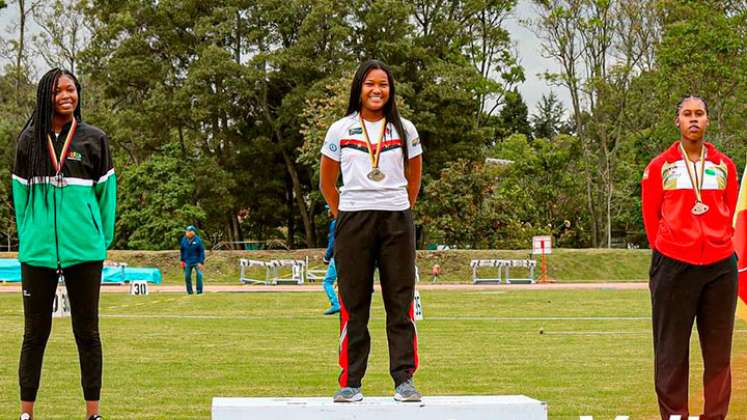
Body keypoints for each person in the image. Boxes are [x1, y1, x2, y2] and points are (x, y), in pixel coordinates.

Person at [13, 68, 116, 420]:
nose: (67, 96)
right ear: (46, 96)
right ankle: (27, 413)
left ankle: (93, 413)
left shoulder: (94, 139)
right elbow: (21, 197)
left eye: (71, 89)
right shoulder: (28, 141)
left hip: (84, 251)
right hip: (38, 252)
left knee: (87, 331)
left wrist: (100, 239)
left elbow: (106, 195)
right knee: (34, 334)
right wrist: (29, 235)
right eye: (59, 91)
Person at [319, 59, 423, 403]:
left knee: (400, 301)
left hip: (396, 219)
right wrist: (344, 212)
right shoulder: (341, 129)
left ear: (390, 90)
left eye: (383, 84)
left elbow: (414, 175)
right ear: (358, 88)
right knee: (354, 302)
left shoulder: (404, 129)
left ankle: (404, 380)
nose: (377, 90)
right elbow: (327, 181)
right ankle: (350, 381)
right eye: (369, 84)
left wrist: (400, 206)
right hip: (353, 219)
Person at [641, 95, 738, 420]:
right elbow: (650, 216)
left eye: (699, 114)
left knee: (718, 355)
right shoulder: (659, 166)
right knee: (671, 353)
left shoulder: (725, 166)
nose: (693, 119)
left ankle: (715, 417)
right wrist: (672, 249)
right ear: (677, 121)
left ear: (708, 120)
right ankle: (674, 416)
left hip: (720, 268)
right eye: (687, 114)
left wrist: (716, 241)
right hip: (673, 266)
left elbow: (731, 212)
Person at [322, 209, 340, 315]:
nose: (328, 211)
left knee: (327, 282)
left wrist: (327, 257)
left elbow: (332, 242)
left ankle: (335, 304)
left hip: (337, 256)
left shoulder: (335, 223)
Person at [180, 225, 205, 295]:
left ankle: (199, 291)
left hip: (197, 261)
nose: (186, 233)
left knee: (199, 275)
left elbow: (201, 252)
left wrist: (201, 262)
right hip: (187, 261)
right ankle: (190, 292)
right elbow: (182, 250)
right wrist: (182, 260)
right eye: (186, 231)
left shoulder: (198, 240)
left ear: (192, 232)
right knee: (187, 277)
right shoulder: (183, 239)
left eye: (188, 231)